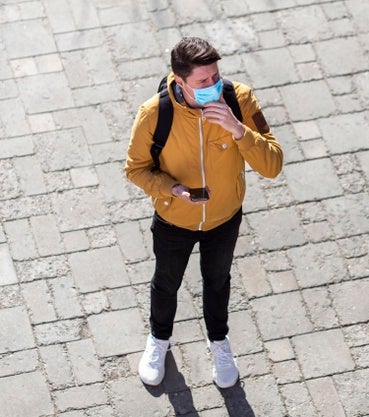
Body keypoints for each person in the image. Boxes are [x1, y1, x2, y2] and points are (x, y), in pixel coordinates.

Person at [125, 37, 283, 388]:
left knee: (217, 281)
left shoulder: (239, 99)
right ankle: (159, 339)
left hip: (224, 218)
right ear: (179, 80)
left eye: (216, 76)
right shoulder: (155, 113)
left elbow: (273, 165)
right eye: (203, 81)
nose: (214, 85)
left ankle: (219, 341)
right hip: (174, 220)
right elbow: (135, 169)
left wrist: (239, 130)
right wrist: (172, 190)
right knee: (166, 282)